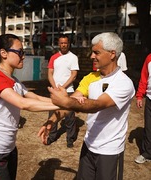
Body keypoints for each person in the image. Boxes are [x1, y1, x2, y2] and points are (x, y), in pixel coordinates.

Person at [38, 32, 135, 180]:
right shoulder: (91, 77)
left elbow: (98, 104)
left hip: (110, 151)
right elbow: (73, 101)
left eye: (96, 52)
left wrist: (66, 101)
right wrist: (52, 120)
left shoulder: (123, 83)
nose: (91, 56)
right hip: (89, 145)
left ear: (112, 54)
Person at [0, 34, 60, 180]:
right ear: (3, 53)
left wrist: (65, 102)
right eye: (19, 52)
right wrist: (66, 104)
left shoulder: (14, 80)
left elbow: (35, 98)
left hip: (9, 147)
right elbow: (23, 103)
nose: (23, 56)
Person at [47, 34, 79, 148]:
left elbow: (74, 75)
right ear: (58, 44)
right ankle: (51, 136)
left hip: (68, 90)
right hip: (55, 91)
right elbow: (50, 73)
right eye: (61, 43)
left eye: (65, 43)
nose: (63, 45)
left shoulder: (73, 57)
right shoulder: (53, 57)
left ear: (68, 43)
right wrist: (55, 87)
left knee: (69, 116)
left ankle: (70, 139)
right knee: (53, 114)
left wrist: (63, 87)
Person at [135, 54, 151, 164]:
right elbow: (144, 77)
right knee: (149, 127)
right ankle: (147, 153)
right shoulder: (149, 58)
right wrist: (140, 95)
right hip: (150, 98)